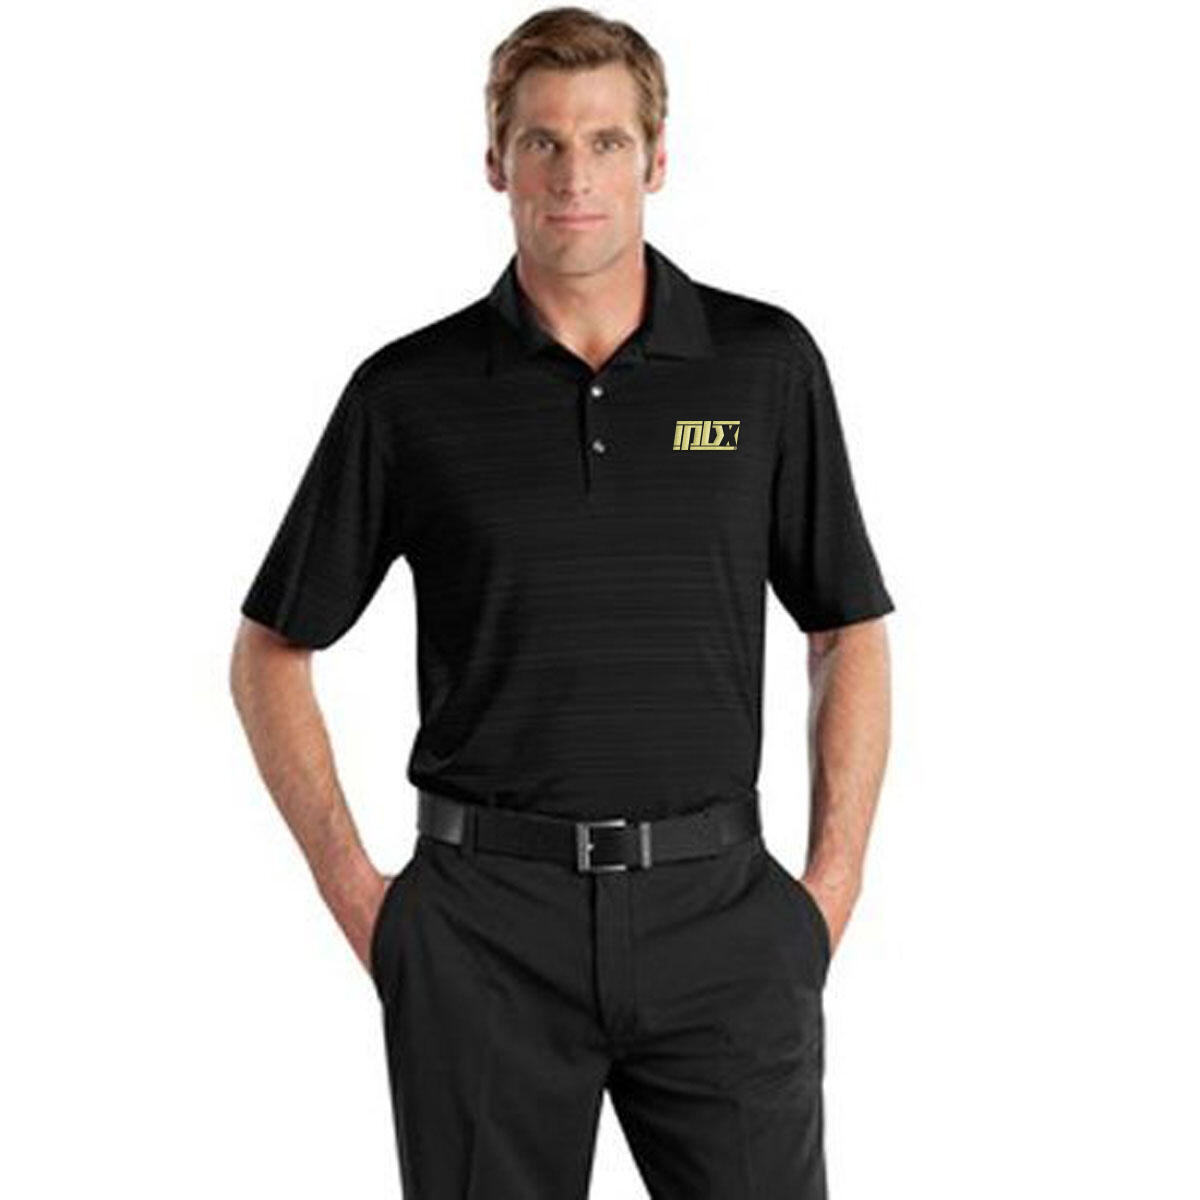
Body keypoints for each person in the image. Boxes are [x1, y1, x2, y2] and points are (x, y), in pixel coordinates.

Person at [230, 7, 894, 1197]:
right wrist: (370, 906)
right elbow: (270, 651)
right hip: (482, 930)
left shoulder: (764, 367)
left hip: (722, 919)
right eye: (541, 142)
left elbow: (845, 626)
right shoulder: (409, 395)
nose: (573, 175)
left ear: (657, 160)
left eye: (604, 142)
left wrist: (825, 895)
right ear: (496, 163)